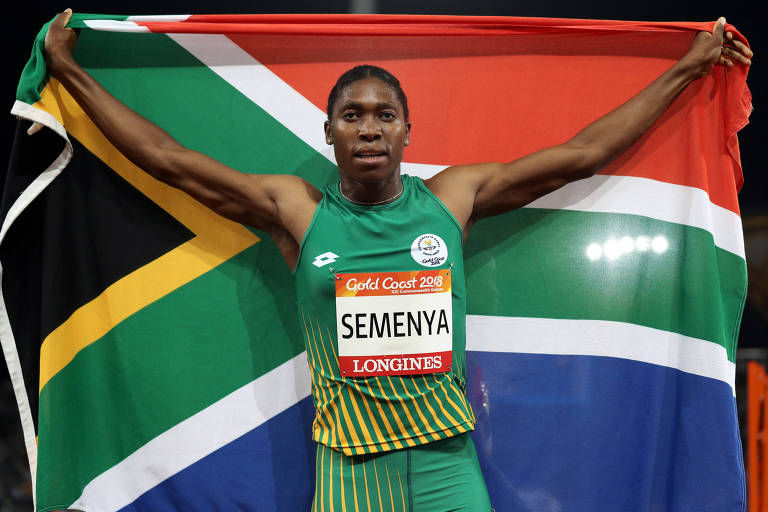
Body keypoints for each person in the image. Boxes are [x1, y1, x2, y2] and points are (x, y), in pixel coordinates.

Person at [43, 9, 751, 511]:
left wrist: (688, 69)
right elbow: (169, 160)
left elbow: (583, 154)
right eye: (353, 115)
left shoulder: (454, 198)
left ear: (409, 131)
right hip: (350, 480)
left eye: (385, 114)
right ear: (329, 132)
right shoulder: (299, 213)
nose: (370, 127)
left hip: (448, 471)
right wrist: (69, 71)